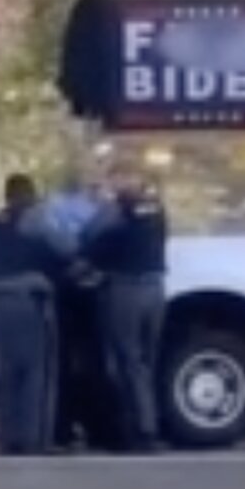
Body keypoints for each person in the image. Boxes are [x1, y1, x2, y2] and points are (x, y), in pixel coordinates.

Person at [83, 171, 168, 454]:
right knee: (147, 361)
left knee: (127, 362)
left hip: (125, 289)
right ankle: (151, 423)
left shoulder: (115, 219)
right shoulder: (157, 215)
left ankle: (138, 431)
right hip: (155, 288)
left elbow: (91, 244)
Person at [31, 171, 116, 451]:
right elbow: (99, 241)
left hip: (59, 290)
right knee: (95, 361)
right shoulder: (100, 211)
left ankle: (62, 429)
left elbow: (49, 245)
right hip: (93, 291)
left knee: (61, 365)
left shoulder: (48, 211)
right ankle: (99, 430)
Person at [0, 175, 64, 456]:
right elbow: (63, 249)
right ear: (30, 195)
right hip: (28, 303)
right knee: (35, 375)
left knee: (8, 376)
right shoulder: (35, 221)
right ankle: (35, 442)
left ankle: (9, 440)